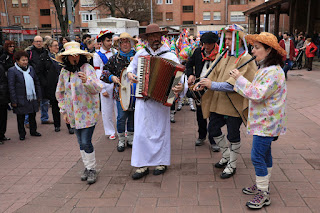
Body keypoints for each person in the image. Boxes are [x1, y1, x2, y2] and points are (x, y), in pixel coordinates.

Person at [229, 32, 287, 209]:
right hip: (265, 121)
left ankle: (263, 193)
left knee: (256, 156)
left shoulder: (272, 72)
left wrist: (239, 78)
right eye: (253, 47)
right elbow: (254, 90)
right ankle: (263, 185)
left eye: (257, 47)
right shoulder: (266, 68)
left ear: (269, 50)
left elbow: (256, 94)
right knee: (265, 154)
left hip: (266, 123)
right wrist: (239, 82)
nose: (253, 51)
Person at [195, 24, 256, 179]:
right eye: (226, 38)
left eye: (230, 39)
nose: (227, 42)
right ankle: (227, 155)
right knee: (213, 130)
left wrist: (211, 85)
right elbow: (213, 73)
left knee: (233, 135)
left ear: (240, 40)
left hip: (234, 106)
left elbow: (233, 84)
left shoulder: (246, 58)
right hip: (219, 103)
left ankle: (232, 164)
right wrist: (202, 82)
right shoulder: (224, 55)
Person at [127, 23, 185, 180]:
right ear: (146, 39)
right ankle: (142, 164)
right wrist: (130, 75)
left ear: (161, 37)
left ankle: (161, 162)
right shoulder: (140, 54)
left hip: (161, 102)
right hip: (143, 100)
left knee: (160, 132)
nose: (155, 39)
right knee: (140, 133)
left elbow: (180, 78)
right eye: (152, 37)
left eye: (157, 36)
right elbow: (130, 69)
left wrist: (180, 87)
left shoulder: (170, 56)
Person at [55, 42, 103, 184]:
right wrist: (63, 111)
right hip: (73, 113)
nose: (74, 57)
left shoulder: (87, 68)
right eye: (71, 55)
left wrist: (86, 81)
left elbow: (97, 88)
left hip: (88, 112)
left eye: (76, 54)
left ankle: (92, 169)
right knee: (80, 142)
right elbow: (60, 92)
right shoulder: (65, 72)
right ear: (67, 58)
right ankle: (87, 167)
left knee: (85, 141)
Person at [100, 32, 137, 152]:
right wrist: (112, 78)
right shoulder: (114, 59)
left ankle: (130, 138)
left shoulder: (138, 57)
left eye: (127, 42)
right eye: (123, 42)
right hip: (120, 93)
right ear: (119, 45)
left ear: (131, 44)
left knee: (133, 116)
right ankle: (121, 139)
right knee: (121, 117)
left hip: (136, 93)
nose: (125, 44)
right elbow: (104, 73)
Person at [186, 32, 220, 151]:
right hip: (199, 86)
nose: (206, 46)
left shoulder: (220, 54)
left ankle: (213, 139)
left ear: (214, 43)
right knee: (200, 114)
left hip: (213, 87)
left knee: (213, 116)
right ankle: (201, 136)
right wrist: (190, 75)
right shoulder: (197, 52)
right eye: (204, 43)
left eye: (209, 44)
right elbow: (189, 65)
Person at [38, 39, 74, 134]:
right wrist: (45, 83)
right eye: (55, 46)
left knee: (67, 104)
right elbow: (40, 72)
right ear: (49, 47)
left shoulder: (62, 56)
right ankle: (57, 125)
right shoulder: (44, 57)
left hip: (64, 84)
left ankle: (69, 125)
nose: (57, 47)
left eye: (57, 45)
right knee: (55, 105)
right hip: (52, 85)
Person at [8, 51, 42, 141]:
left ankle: (33, 131)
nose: (25, 62)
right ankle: (22, 133)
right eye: (23, 60)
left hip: (31, 97)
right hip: (20, 98)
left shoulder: (30, 68)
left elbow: (36, 82)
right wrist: (13, 100)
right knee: (20, 117)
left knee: (32, 115)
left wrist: (39, 94)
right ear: (17, 61)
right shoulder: (12, 71)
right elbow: (11, 86)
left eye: (26, 60)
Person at [93, 30, 118, 140]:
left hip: (116, 84)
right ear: (102, 42)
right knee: (107, 110)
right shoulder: (97, 55)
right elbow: (97, 73)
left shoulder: (115, 52)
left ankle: (122, 129)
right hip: (105, 85)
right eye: (108, 40)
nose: (110, 42)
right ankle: (110, 131)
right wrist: (101, 88)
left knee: (119, 109)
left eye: (111, 40)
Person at [25, 36, 53, 127]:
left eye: (40, 41)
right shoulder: (29, 52)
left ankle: (44, 118)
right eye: (37, 41)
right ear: (33, 42)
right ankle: (27, 121)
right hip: (32, 78)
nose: (38, 43)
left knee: (45, 100)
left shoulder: (45, 52)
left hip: (44, 78)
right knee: (32, 100)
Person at [0, 63, 10, 144]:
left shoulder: (1, 64)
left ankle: (2, 135)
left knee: (3, 117)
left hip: (3, 95)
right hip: (2, 93)